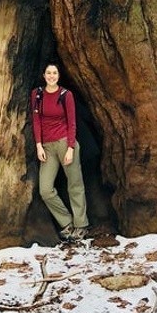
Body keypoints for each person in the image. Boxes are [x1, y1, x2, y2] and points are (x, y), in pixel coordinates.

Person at [31, 63, 89, 242]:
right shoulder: (37, 94)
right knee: (45, 189)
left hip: (65, 143)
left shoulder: (66, 95)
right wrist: (39, 145)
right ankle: (66, 222)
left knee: (75, 184)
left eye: (54, 73)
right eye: (48, 72)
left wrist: (71, 147)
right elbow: (36, 121)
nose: (51, 76)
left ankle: (81, 225)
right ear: (44, 75)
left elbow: (72, 122)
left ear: (58, 75)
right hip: (47, 147)